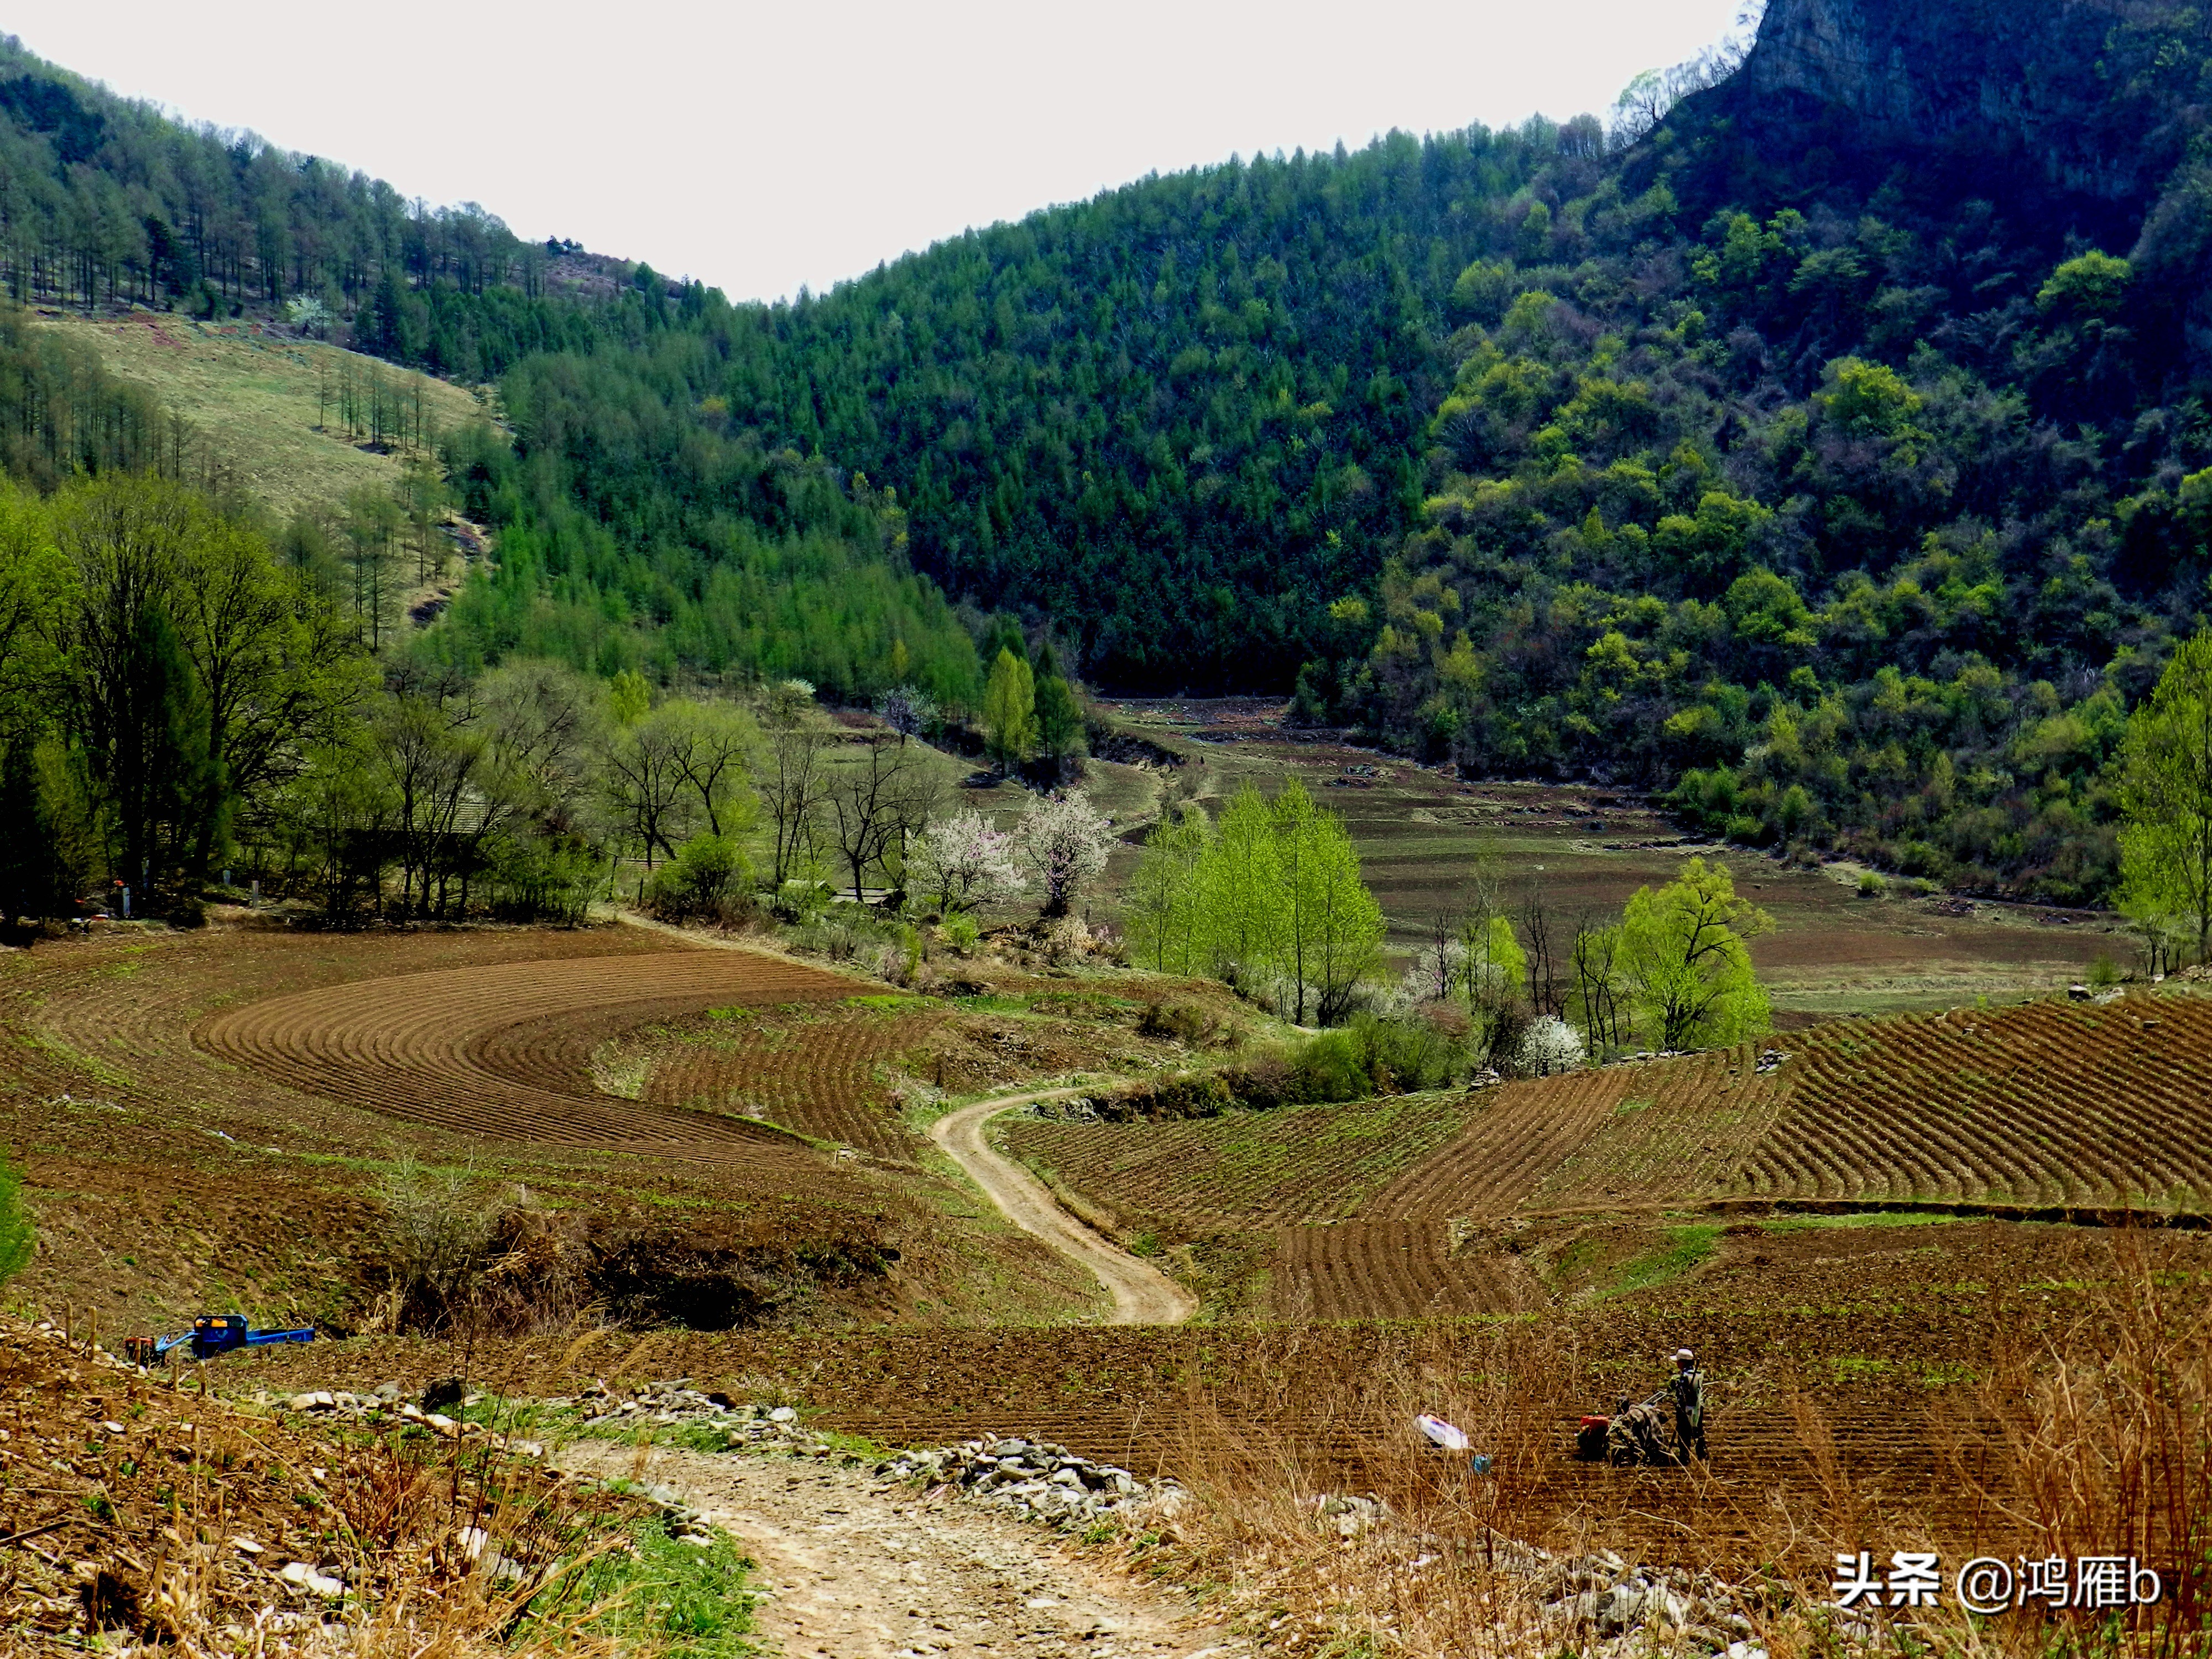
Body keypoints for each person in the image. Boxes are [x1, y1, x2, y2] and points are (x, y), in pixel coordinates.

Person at [1668, 1348, 1707, 1461]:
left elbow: (1681, 1394)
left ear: (1682, 1362)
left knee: (1684, 1433)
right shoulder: (1698, 1374)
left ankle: (1684, 1457)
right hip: (1698, 1407)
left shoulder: (1684, 1376)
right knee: (1698, 1430)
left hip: (1685, 1409)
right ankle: (1702, 1454)